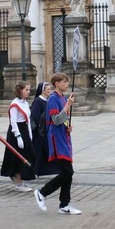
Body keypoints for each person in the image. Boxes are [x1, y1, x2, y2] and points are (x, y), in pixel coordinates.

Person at [33, 73, 80, 215]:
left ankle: (64, 204)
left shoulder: (62, 98)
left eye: (67, 82)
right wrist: (67, 106)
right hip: (56, 140)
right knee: (68, 172)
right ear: (57, 83)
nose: (67, 84)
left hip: (63, 138)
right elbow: (56, 120)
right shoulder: (53, 99)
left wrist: (68, 126)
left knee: (67, 173)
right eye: (65, 82)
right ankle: (42, 193)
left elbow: (62, 121)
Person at [0, 81, 36, 191]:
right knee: (17, 156)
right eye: (26, 90)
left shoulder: (25, 103)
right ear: (20, 90)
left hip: (24, 130)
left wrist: (29, 134)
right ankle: (18, 183)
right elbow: (13, 122)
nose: (28, 92)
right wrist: (18, 136)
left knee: (27, 155)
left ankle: (19, 179)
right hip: (16, 132)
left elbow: (28, 120)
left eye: (29, 90)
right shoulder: (14, 104)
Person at [30, 82, 58, 177]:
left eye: (50, 89)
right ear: (43, 90)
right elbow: (36, 115)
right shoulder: (38, 101)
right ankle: (37, 170)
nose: (49, 91)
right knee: (39, 151)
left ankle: (49, 169)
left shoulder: (48, 100)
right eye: (48, 89)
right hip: (40, 131)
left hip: (47, 129)